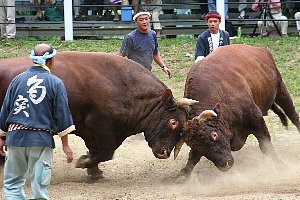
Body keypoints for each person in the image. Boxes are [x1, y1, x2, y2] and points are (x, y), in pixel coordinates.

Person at [0, 43, 75, 200]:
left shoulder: (17, 80)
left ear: (32, 59)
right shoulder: (55, 83)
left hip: (15, 138)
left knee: (13, 183)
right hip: (40, 139)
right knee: (40, 185)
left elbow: (5, 110)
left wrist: (2, 137)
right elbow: (61, 115)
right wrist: (66, 145)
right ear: (51, 60)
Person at [118, 11, 172, 78]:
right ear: (136, 22)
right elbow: (120, 58)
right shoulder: (130, 37)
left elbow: (155, 54)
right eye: (141, 20)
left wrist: (164, 67)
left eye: (146, 19)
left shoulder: (153, 34)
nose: (144, 22)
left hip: (148, 73)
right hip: (134, 75)